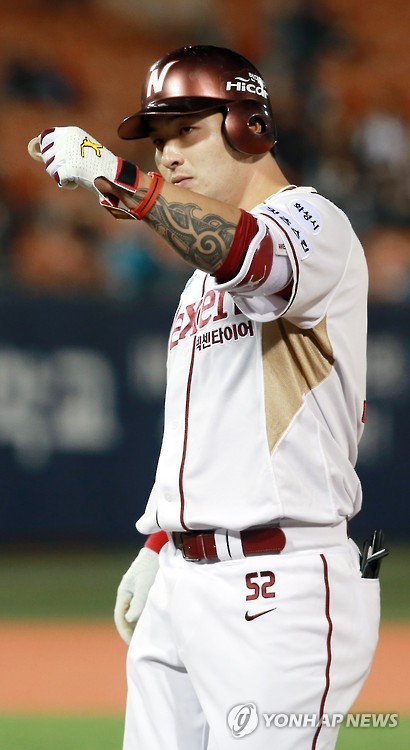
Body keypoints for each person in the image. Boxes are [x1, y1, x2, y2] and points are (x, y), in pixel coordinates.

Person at [33, 45, 381, 750]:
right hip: (183, 583)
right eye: (158, 140)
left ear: (248, 124)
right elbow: (211, 431)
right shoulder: (199, 283)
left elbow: (254, 254)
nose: (168, 154)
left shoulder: (316, 223)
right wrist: (161, 544)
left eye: (187, 130)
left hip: (279, 585)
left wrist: (120, 179)